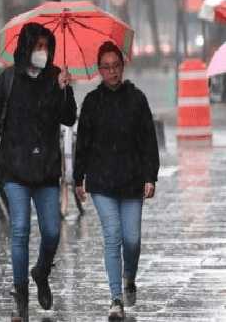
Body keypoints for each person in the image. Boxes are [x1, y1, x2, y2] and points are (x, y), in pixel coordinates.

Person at [0, 22, 77, 321]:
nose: (43, 53)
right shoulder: (7, 81)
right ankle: (20, 294)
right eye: (37, 47)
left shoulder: (54, 77)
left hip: (46, 170)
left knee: (51, 232)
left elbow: (69, 119)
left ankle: (41, 272)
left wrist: (66, 89)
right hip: (14, 170)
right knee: (20, 229)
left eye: (47, 47)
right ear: (25, 48)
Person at [73, 41, 159, 321]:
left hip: (132, 181)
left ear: (123, 67)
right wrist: (78, 178)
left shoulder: (137, 99)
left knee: (132, 240)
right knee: (113, 237)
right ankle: (115, 298)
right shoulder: (91, 103)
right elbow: (82, 144)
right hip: (101, 183)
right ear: (99, 70)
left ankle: (129, 278)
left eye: (116, 66)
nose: (112, 71)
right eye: (106, 67)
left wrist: (150, 176)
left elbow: (149, 140)